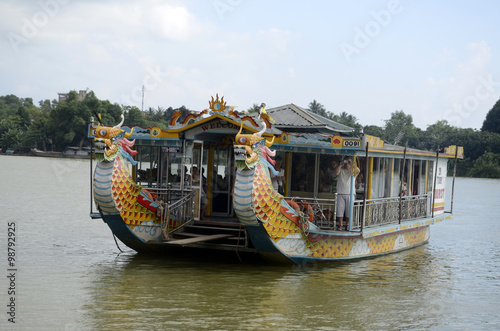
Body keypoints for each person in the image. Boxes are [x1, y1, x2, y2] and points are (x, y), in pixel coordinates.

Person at [333, 156, 360, 231]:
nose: (347, 164)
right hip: (340, 193)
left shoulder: (352, 171)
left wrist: (352, 164)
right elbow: (335, 172)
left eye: (348, 162)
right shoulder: (340, 170)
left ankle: (347, 225)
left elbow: (358, 170)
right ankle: (340, 224)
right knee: (340, 210)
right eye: (346, 162)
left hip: (350, 193)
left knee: (349, 210)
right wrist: (340, 164)